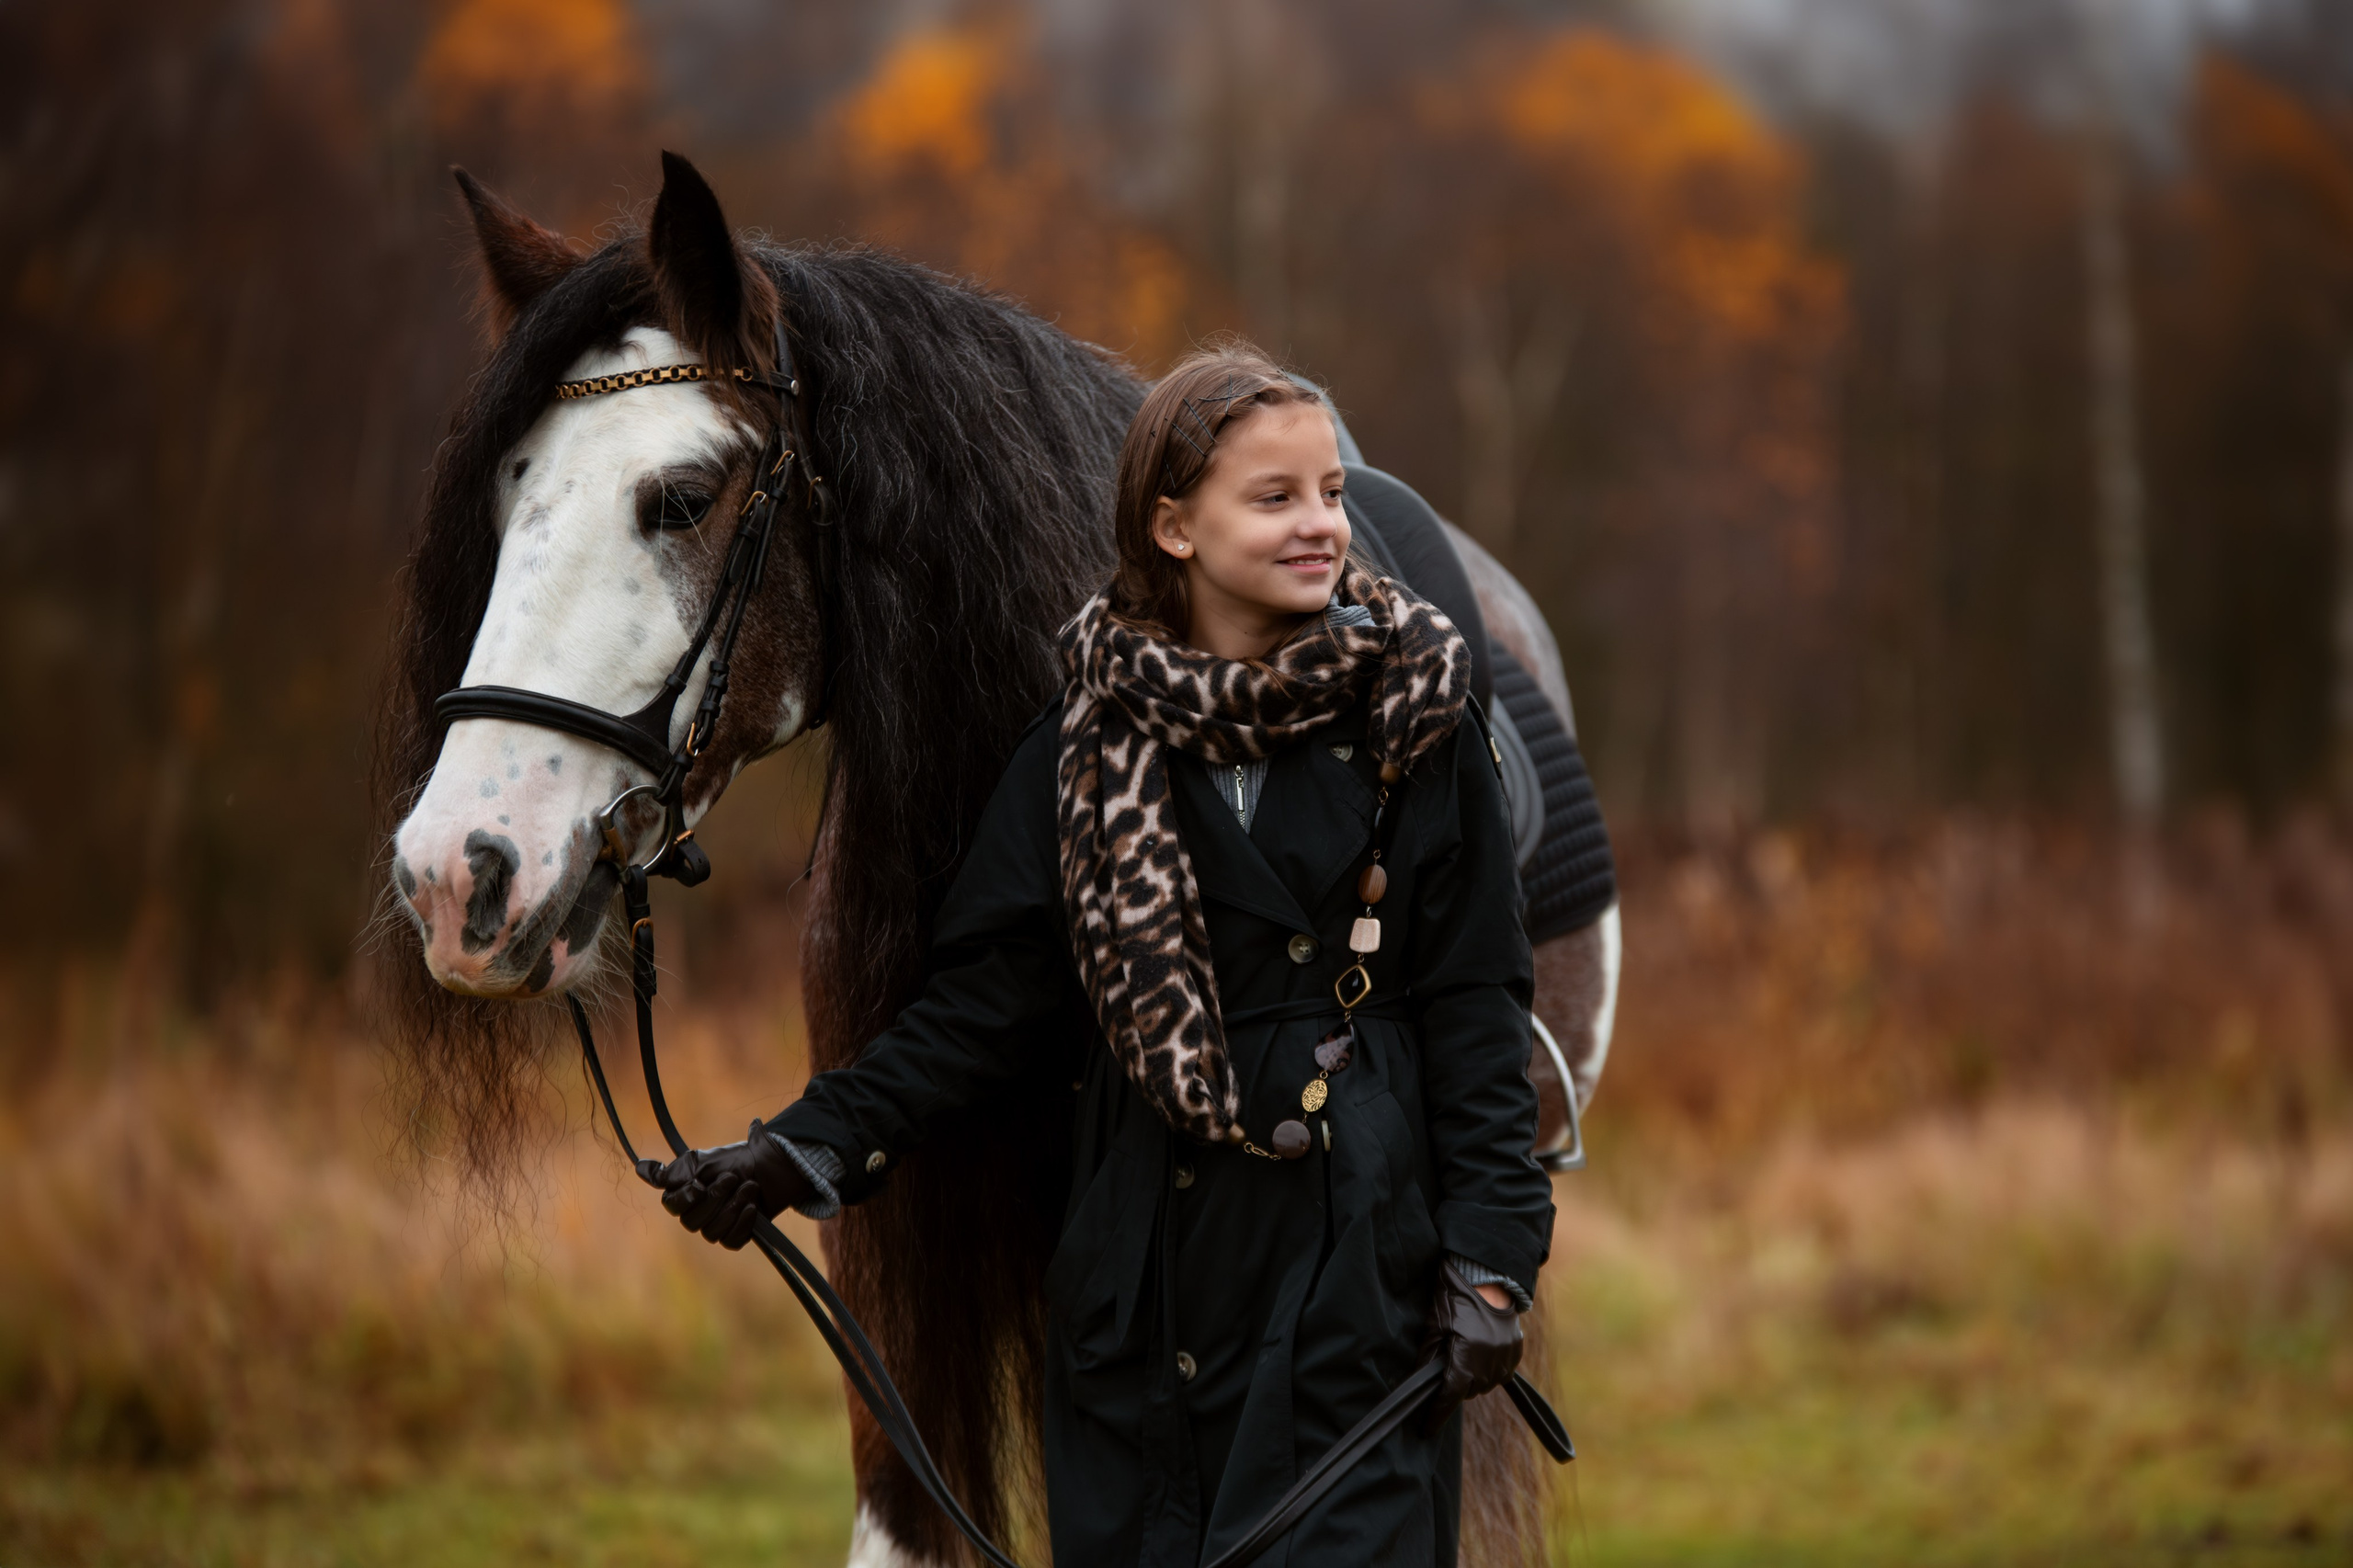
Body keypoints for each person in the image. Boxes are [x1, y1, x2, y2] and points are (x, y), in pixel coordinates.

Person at [656, 339, 1553, 1565]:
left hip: (1352, 1278)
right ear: (1175, 526)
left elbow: (1477, 1010)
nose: (1321, 526)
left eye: (1332, 494)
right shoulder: (1082, 748)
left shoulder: (1414, 721)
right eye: (1276, 496)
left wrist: (1495, 1262)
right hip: (1143, 1293)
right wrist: (800, 1146)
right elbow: (987, 1005)